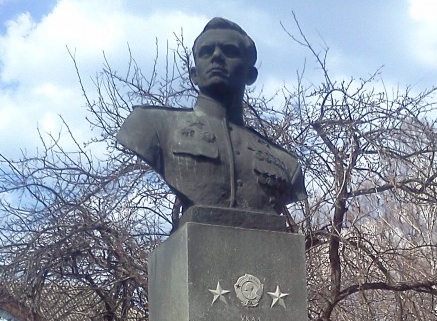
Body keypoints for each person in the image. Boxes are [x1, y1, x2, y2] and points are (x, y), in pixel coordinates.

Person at [118, 18, 306, 228]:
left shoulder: (286, 164)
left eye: (230, 51)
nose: (217, 56)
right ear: (194, 75)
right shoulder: (150, 125)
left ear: (250, 74)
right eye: (206, 52)